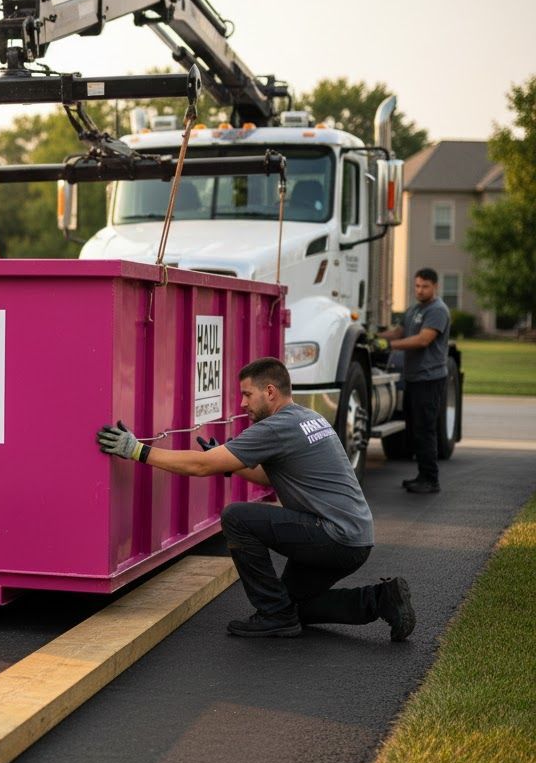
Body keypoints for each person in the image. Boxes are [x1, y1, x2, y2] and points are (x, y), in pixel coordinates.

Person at [96, 357, 415, 641]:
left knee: (236, 517)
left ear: (271, 392)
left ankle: (273, 617)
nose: (243, 403)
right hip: (354, 538)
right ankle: (381, 599)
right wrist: (229, 464)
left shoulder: (276, 427)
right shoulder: (306, 417)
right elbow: (268, 475)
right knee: (293, 605)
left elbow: (199, 466)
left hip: (334, 536)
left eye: (248, 394)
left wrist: (136, 450)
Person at [374, 268, 450, 494]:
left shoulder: (438, 310)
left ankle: (431, 480)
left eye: (425, 286)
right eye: (417, 286)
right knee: (416, 428)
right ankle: (422, 475)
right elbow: (400, 331)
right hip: (415, 378)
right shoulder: (415, 309)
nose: (420, 290)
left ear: (435, 286)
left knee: (426, 429)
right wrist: (376, 337)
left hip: (430, 378)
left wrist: (390, 346)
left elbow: (424, 339)